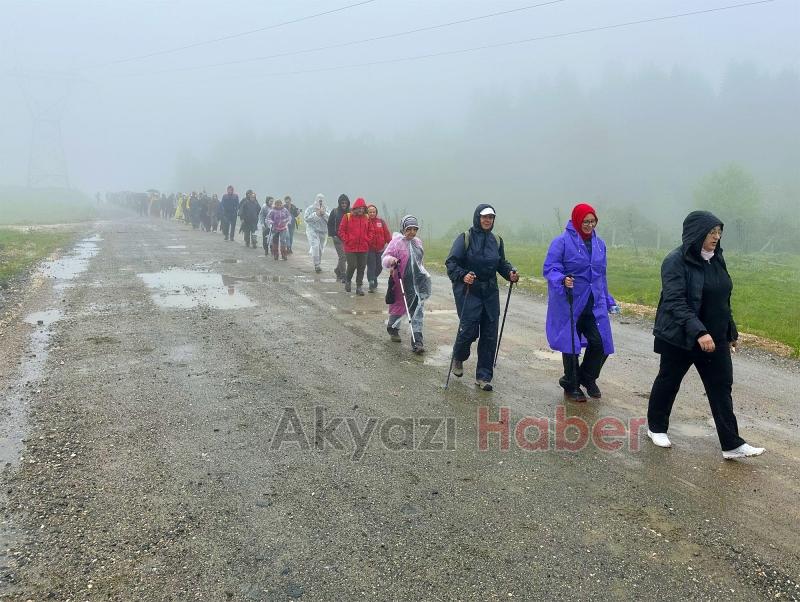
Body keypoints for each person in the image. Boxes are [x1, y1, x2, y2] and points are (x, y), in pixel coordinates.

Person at [645, 211, 765, 459]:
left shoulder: (717, 259)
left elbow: (722, 299)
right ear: (696, 233)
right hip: (680, 336)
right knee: (669, 381)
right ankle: (656, 428)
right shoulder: (675, 261)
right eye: (711, 232)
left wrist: (730, 330)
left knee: (721, 387)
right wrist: (699, 331)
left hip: (715, 337)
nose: (716, 237)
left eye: (719, 232)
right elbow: (675, 301)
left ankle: (731, 445)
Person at [543, 203, 618, 402]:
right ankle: (572, 384)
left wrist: (608, 299)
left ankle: (586, 377)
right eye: (585, 221)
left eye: (593, 221)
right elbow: (550, 267)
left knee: (601, 343)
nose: (589, 225)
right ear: (577, 220)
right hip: (570, 301)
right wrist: (562, 279)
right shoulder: (561, 242)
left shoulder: (600, 244)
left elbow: (601, 274)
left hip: (594, 302)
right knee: (571, 344)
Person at [445, 204, 518, 391]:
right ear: (477, 217)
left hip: (490, 292)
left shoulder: (497, 240)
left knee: (489, 333)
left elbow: (500, 263)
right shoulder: (465, 238)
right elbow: (451, 262)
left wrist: (510, 272)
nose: (488, 220)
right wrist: (463, 275)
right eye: (484, 217)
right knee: (468, 329)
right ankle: (459, 357)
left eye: (491, 218)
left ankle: (483, 376)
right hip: (469, 290)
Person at [382, 215, 431, 353]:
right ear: (403, 228)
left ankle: (417, 341)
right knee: (399, 307)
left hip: (417, 282)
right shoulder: (396, 242)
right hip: (401, 282)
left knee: (417, 310)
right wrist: (391, 260)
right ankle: (392, 327)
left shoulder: (418, 243)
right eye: (409, 229)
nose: (412, 232)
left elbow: (420, 261)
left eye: (414, 229)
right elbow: (385, 258)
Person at [338, 197, 372, 295]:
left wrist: (367, 240)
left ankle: (359, 287)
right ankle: (348, 280)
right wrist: (347, 240)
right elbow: (341, 231)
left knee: (361, 267)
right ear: (355, 208)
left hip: (363, 247)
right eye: (359, 208)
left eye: (363, 208)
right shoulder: (347, 216)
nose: (361, 210)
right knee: (352, 265)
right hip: (350, 247)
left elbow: (371, 231)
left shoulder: (367, 218)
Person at [366, 204, 392, 293]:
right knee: (371, 266)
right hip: (369, 249)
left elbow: (387, 234)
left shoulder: (381, 221)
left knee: (380, 267)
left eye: (374, 212)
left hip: (380, 249)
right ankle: (371, 282)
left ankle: (373, 278)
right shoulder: (365, 222)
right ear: (367, 213)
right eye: (370, 212)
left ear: (376, 212)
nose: (372, 213)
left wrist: (391, 244)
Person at [328, 194, 351, 282]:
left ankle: (338, 270)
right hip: (337, 238)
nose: (344, 204)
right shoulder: (335, 211)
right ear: (339, 203)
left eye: (345, 203)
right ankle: (343, 274)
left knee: (346, 256)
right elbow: (330, 223)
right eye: (342, 203)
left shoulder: (351, 212)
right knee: (343, 256)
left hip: (347, 238)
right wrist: (332, 234)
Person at [304, 194, 330, 273]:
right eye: (319, 199)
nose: (320, 201)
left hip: (323, 231)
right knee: (315, 245)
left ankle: (318, 263)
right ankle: (316, 265)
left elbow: (330, 219)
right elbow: (306, 219)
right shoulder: (310, 208)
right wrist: (316, 214)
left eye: (322, 199)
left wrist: (324, 213)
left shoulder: (327, 209)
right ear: (316, 199)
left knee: (320, 248)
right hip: (312, 230)